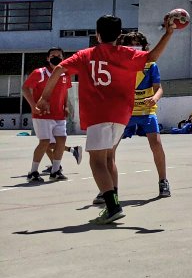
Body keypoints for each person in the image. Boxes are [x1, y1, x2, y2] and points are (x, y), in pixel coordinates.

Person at [35, 14, 178, 224]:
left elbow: (58, 69)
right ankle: (113, 196)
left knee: (97, 161)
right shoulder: (127, 54)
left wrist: (45, 97)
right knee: (109, 158)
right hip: (122, 115)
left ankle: (112, 207)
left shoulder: (86, 55)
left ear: (97, 34)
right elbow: (152, 56)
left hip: (99, 114)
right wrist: (168, 33)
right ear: (119, 35)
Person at [117, 31, 171, 198]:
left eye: (137, 44)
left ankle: (163, 181)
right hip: (124, 113)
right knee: (109, 148)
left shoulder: (150, 65)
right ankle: (108, 188)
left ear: (144, 46)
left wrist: (154, 98)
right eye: (130, 44)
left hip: (146, 111)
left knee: (156, 144)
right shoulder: (119, 65)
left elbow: (159, 88)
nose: (134, 47)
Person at [21, 47, 81, 182]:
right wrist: (33, 105)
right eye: (53, 55)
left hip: (59, 114)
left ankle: (55, 171)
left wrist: (66, 106)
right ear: (48, 58)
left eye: (59, 55)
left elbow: (65, 91)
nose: (56, 57)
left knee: (61, 141)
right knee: (45, 142)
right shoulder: (40, 73)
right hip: (43, 114)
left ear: (63, 58)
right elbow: (25, 88)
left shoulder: (65, 74)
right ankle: (33, 172)